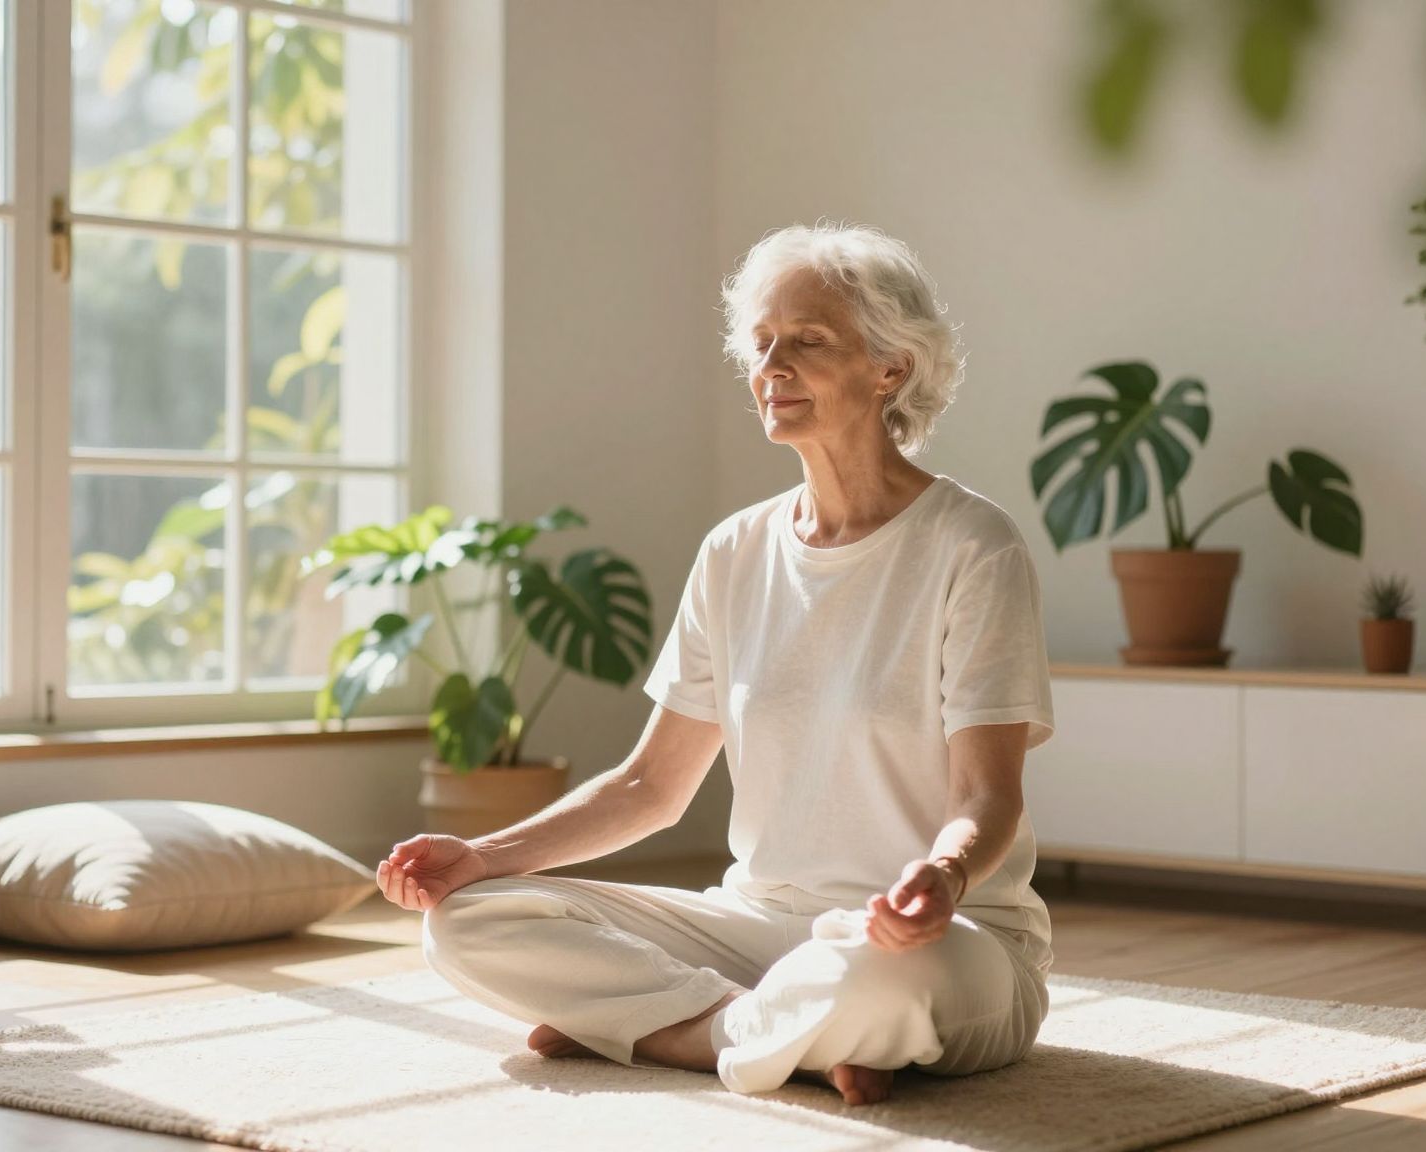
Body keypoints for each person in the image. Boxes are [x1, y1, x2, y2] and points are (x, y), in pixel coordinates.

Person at [376, 221, 1055, 1107]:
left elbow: (985, 798)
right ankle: (766, 1036)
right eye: (761, 342)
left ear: (892, 368)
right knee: (466, 922)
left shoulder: (974, 546)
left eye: (808, 342)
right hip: (759, 926)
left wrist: (944, 876)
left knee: (870, 981)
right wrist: (480, 855)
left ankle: (655, 1028)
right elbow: (648, 789)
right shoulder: (734, 551)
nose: (771, 366)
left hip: (938, 937)